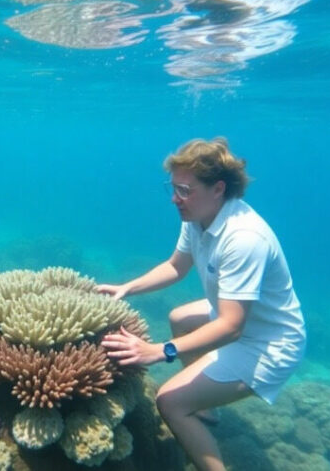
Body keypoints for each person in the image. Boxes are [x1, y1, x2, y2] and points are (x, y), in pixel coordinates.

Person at [98, 137, 306, 471]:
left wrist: (159, 351)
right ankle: (206, 409)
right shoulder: (197, 217)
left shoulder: (244, 238)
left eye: (184, 189)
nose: (174, 198)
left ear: (218, 188)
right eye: (173, 187)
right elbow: (175, 267)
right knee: (179, 316)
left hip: (270, 346)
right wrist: (127, 288)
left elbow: (231, 326)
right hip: (245, 325)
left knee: (169, 402)